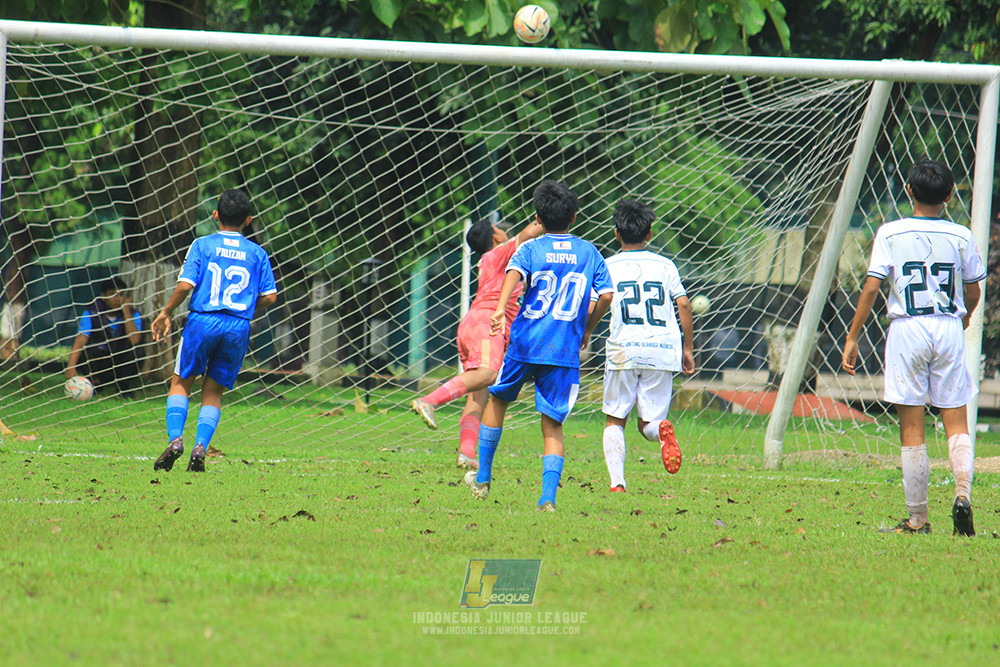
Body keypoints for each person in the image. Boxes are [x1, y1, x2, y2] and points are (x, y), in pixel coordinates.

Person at [842, 159, 985, 536]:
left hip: (907, 327)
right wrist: (966, 316)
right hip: (948, 327)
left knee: (912, 427)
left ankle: (918, 519)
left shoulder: (890, 232)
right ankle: (962, 493)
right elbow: (974, 290)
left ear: (909, 191)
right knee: (956, 420)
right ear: (951, 196)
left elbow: (872, 287)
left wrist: (853, 335)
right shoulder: (961, 235)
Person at [464, 180, 614, 512]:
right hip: (563, 350)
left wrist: (501, 309)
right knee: (553, 425)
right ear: (574, 217)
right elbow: (605, 296)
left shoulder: (530, 249)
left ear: (538, 217)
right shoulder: (589, 252)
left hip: (526, 341)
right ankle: (547, 499)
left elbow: (513, 274)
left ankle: (484, 476)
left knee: (498, 400)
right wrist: (588, 328)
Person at [151, 189, 278, 472]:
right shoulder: (258, 253)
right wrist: (245, 309)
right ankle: (200, 447)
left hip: (203, 321)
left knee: (181, 382)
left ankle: (175, 440)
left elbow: (185, 285)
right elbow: (270, 297)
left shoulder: (202, 245)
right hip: (237, 327)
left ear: (215, 215)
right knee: (213, 393)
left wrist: (166, 311)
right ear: (248, 219)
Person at [410, 216, 544, 469]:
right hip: (487, 323)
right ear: (495, 237)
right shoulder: (499, 254)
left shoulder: (488, 261)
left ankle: (466, 453)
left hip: (472, 323)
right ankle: (430, 401)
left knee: (477, 398)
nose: (505, 234)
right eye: (500, 231)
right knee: (488, 374)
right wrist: (548, 218)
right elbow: (526, 235)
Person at [599, 199, 695, 492]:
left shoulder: (608, 265)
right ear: (649, 234)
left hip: (623, 349)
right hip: (663, 349)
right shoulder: (665, 265)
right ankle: (661, 430)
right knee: (649, 423)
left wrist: (587, 330)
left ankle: (617, 483)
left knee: (615, 418)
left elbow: (601, 300)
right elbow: (684, 304)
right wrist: (688, 349)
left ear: (616, 233)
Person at [65, 277, 143, 396]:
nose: (117, 299)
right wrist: (71, 366)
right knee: (86, 350)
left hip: (119, 362)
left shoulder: (133, 314)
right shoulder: (91, 313)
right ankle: (95, 383)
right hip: (99, 361)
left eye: (121, 295)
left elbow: (134, 339)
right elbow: (80, 340)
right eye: (113, 294)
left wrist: (126, 312)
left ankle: (124, 386)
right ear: (103, 296)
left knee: (138, 350)